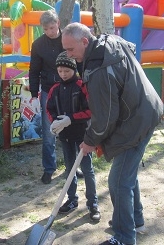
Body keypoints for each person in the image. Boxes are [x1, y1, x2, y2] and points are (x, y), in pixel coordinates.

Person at [61, 22, 164, 245]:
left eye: (70, 49)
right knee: (125, 175)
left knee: (118, 181)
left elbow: (105, 117)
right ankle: (135, 221)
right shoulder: (109, 41)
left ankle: (125, 237)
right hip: (145, 110)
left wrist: (90, 141)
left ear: (85, 41)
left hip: (135, 121)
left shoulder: (99, 69)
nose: (68, 55)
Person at [46, 51, 101, 221]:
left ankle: (92, 203)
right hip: (65, 136)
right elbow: (49, 109)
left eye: (67, 71)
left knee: (87, 169)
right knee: (69, 169)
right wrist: (54, 122)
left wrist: (71, 118)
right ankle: (72, 200)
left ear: (74, 70)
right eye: (60, 71)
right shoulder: (55, 89)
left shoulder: (81, 85)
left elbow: (91, 110)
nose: (63, 74)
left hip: (83, 136)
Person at [28, 9, 64, 184]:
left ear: (58, 23)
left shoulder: (67, 39)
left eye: (52, 27)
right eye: (46, 29)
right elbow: (34, 71)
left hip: (69, 88)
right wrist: (34, 94)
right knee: (49, 132)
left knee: (72, 130)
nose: (50, 31)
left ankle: (73, 165)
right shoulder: (38, 45)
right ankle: (49, 168)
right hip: (48, 90)